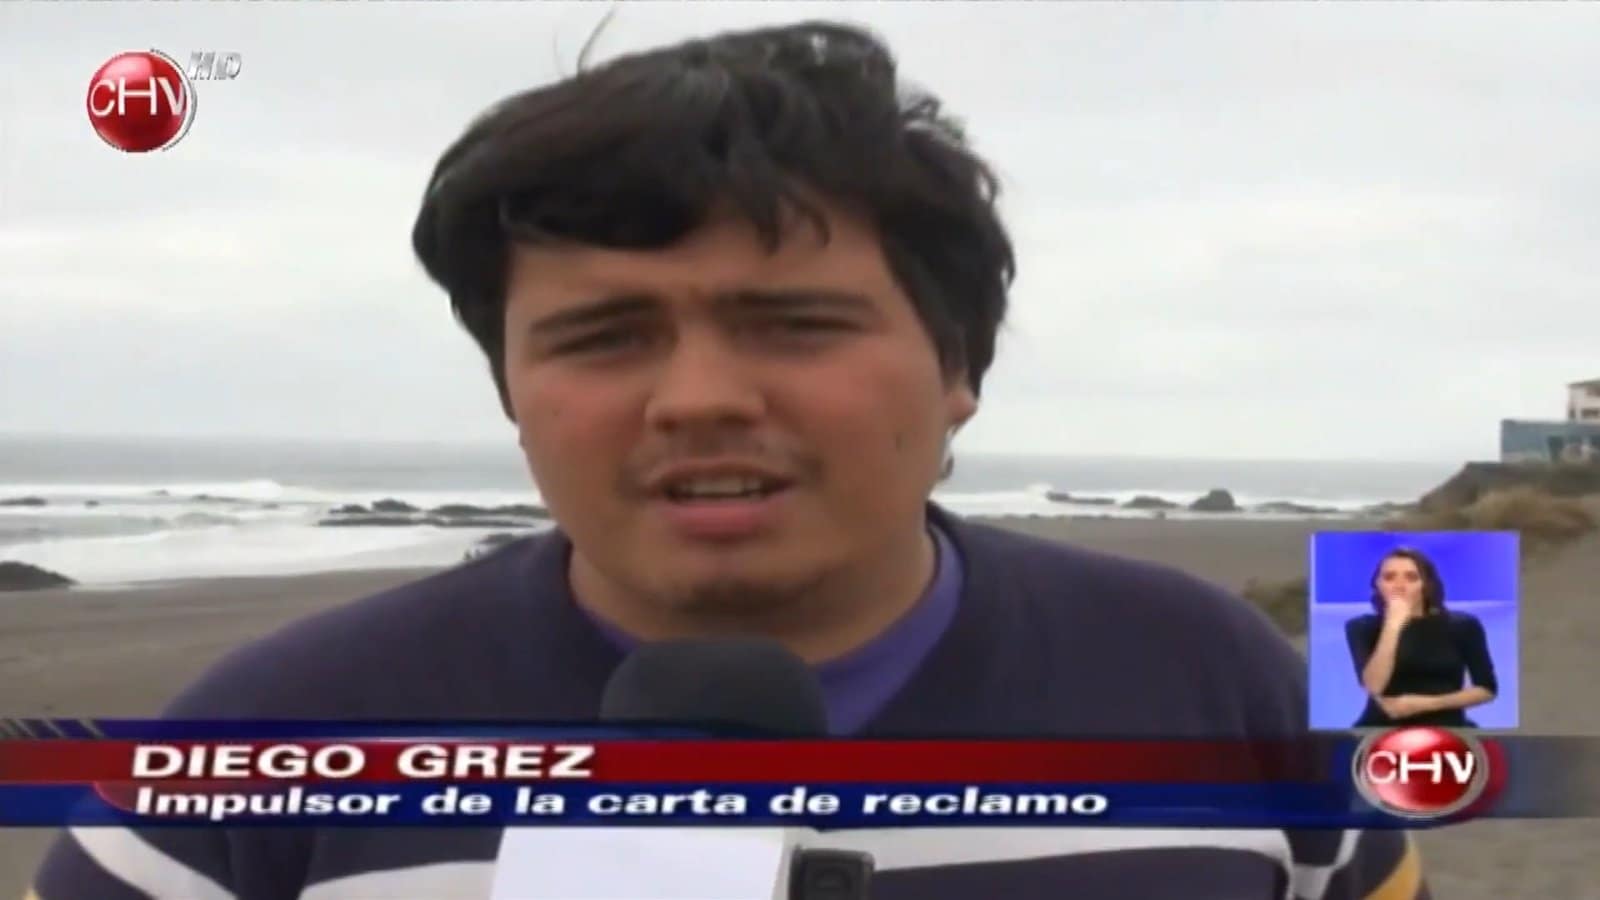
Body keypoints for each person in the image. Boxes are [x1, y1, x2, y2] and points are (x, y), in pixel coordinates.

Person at [32, 21, 1430, 900]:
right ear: (512, 391)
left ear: (959, 375)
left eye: (794, 324)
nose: (697, 397)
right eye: (605, 336)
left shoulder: (1221, 682)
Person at [1345, 546, 1499, 728]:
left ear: (1426, 585)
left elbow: (1487, 689)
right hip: (1381, 727)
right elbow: (1374, 686)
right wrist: (1392, 626)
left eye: (1411, 578)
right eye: (1389, 577)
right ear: (1377, 585)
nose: (1399, 586)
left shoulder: (1463, 626)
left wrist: (1424, 704)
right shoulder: (1361, 627)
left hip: (1447, 727)